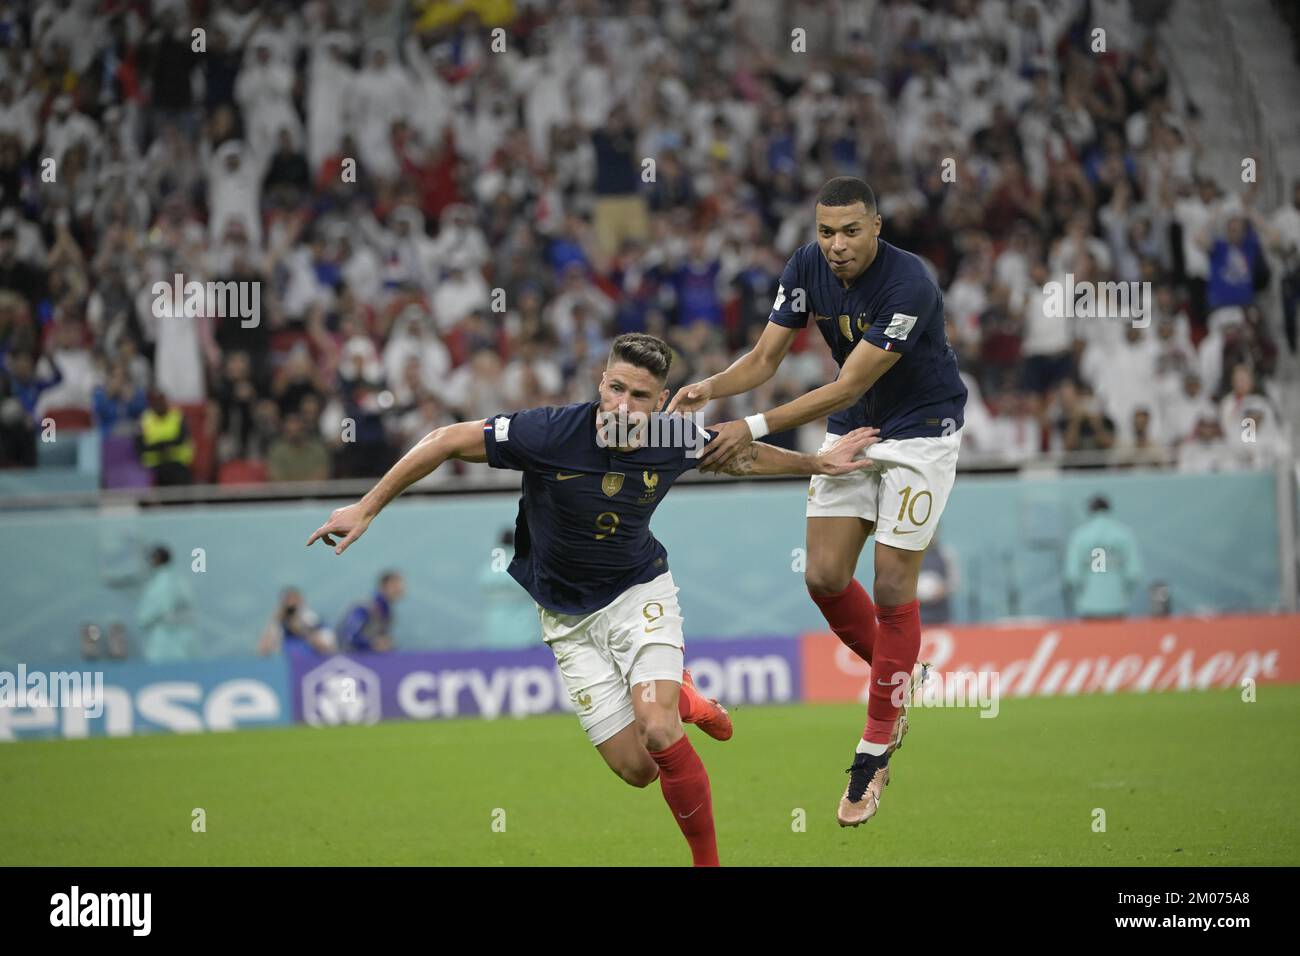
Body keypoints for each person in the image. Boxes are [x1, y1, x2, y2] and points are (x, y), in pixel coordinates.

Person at [306, 333, 880, 866]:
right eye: (616, 388)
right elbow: (445, 440)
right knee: (637, 770)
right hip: (567, 618)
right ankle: (684, 699)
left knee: (656, 732)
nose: (624, 406)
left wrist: (815, 463)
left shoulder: (672, 440)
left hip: (640, 594)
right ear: (600, 382)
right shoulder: (549, 433)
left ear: (661, 404)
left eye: (641, 396)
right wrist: (367, 506)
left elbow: (743, 455)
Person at [667, 177, 967, 828]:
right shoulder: (805, 267)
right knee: (824, 575)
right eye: (826, 231)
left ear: (877, 226)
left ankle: (875, 742)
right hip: (854, 424)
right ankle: (900, 681)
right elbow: (766, 357)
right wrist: (710, 387)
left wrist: (748, 427)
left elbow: (847, 382)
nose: (836, 245)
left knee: (892, 584)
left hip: (922, 433)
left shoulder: (909, 285)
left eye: (850, 231)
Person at [1062, 496, 1144, 620]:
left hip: (1089, 603)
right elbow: (1134, 572)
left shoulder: (1080, 535)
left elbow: (1073, 575)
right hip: (1117, 602)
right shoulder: (1124, 533)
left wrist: (1081, 592)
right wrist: (1124, 592)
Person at [136, 545, 198, 662]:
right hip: (179, 638)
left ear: (157, 559)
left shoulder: (163, 582)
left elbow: (160, 608)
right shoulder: (178, 579)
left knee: (167, 669)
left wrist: (145, 618)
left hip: (167, 638)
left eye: (152, 558)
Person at [335, 571, 405, 653]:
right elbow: (348, 636)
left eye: (400, 586)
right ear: (383, 586)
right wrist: (372, 644)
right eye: (395, 586)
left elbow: (381, 638)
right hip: (350, 657)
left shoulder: (387, 613)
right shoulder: (365, 607)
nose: (400, 589)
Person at [136, 389, 194, 486]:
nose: (159, 404)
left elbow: (181, 439)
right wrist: (163, 446)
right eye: (155, 402)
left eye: (161, 401)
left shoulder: (177, 416)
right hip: (154, 466)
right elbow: (140, 446)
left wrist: (158, 445)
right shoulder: (145, 419)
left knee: (181, 479)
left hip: (177, 463)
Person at [257, 586, 334, 657]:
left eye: (294, 602)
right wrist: (275, 621)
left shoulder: (310, 618)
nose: (291, 606)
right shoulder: (279, 622)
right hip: (291, 660)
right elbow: (263, 649)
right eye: (288, 602)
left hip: (312, 658)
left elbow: (324, 646)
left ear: (301, 601)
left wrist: (300, 629)